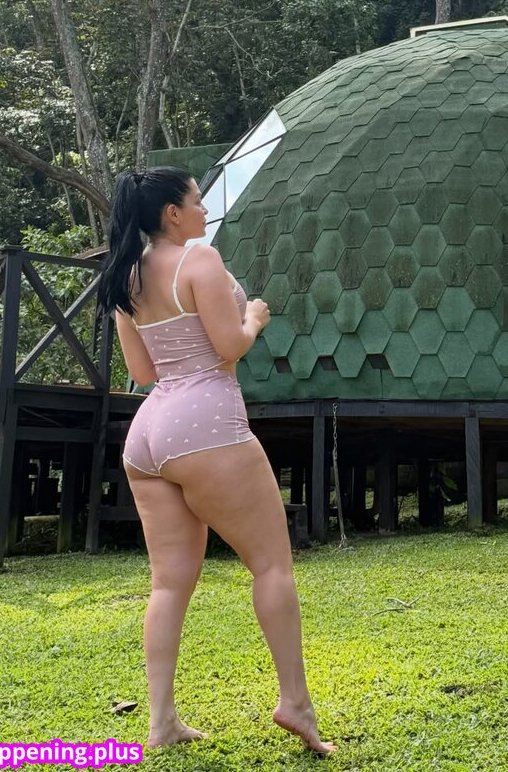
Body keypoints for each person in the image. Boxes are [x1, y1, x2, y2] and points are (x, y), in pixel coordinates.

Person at [98, 166, 335, 755]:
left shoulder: (126, 276)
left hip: (148, 435)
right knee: (272, 566)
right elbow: (230, 346)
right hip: (205, 423)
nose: (204, 210)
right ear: (172, 213)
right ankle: (294, 702)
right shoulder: (198, 260)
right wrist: (253, 318)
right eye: (197, 201)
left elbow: (143, 371)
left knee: (168, 584)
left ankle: (161, 722)